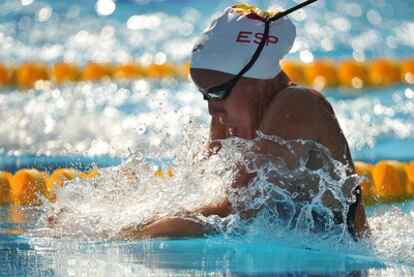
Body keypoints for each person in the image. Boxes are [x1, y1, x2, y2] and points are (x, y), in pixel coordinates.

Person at [118, 3, 368, 240]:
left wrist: (132, 235)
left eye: (217, 92)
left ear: (255, 76)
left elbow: (236, 210)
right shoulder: (227, 119)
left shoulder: (299, 105)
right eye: (204, 95)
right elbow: (195, 192)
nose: (212, 109)